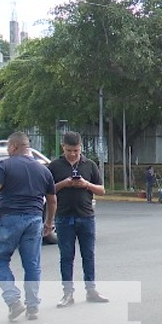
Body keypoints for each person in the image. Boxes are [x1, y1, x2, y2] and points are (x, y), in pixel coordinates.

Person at [0, 132, 57, 320]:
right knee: (32, 264)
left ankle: (13, 301)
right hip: (34, 220)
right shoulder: (44, 170)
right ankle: (33, 306)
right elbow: (52, 200)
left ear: (13, 147)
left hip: (9, 220)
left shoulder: (5, 165)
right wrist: (49, 223)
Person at [48, 131, 109, 307]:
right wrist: (64, 183)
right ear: (63, 148)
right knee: (66, 256)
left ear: (80, 148)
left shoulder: (89, 165)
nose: (73, 154)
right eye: (69, 150)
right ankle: (68, 293)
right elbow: (47, 190)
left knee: (88, 255)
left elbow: (101, 190)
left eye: (76, 150)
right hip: (64, 217)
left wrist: (86, 184)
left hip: (86, 216)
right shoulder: (54, 166)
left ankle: (91, 290)